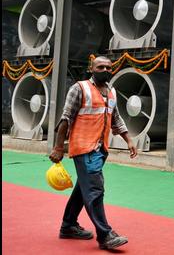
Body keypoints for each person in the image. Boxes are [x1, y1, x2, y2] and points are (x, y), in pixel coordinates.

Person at [49, 56, 137, 250]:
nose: (105, 70)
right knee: (95, 190)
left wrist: (129, 140)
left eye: (108, 67)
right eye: (100, 67)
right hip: (83, 148)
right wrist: (58, 147)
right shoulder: (79, 89)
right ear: (91, 68)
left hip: (100, 150)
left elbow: (116, 119)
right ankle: (105, 235)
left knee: (83, 188)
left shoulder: (111, 92)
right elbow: (65, 119)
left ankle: (68, 225)